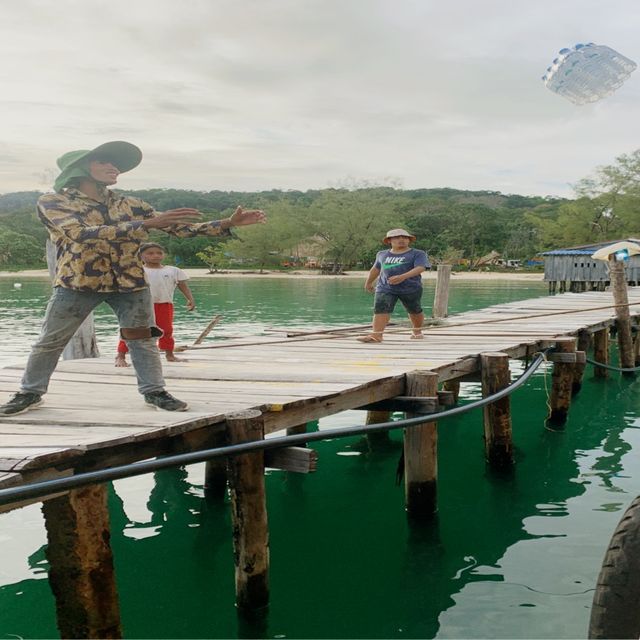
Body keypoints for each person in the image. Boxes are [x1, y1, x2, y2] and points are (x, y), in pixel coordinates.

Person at [0, 140, 265, 416]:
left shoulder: (130, 203)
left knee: (142, 338)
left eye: (115, 163)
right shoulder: (54, 202)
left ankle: (154, 391)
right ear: (78, 169)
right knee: (51, 340)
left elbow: (179, 228)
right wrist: (147, 225)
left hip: (129, 283)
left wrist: (227, 223)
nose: (113, 167)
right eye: (104, 161)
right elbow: (80, 233)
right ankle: (29, 393)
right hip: (78, 283)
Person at [115, 242, 195, 367]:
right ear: (141, 256)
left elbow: (182, 285)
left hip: (164, 304)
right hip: (140, 305)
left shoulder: (173, 270)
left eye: (159, 253)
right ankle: (120, 356)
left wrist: (190, 299)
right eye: (150, 253)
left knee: (166, 330)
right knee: (132, 330)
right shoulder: (138, 270)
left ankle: (169, 354)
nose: (155, 256)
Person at [357, 228, 430, 343]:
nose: (401, 239)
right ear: (389, 240)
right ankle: (376, 335)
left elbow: (420, 268)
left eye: (404, 237)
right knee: (380, 308)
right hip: (385, 287)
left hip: (410, 287)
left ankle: (417, 331)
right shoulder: (382, 254)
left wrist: (402, 277)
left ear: (409, 240)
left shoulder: (418, 253)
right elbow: (376, 269)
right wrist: (369, 282)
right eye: (397, 237)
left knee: (414, 310)